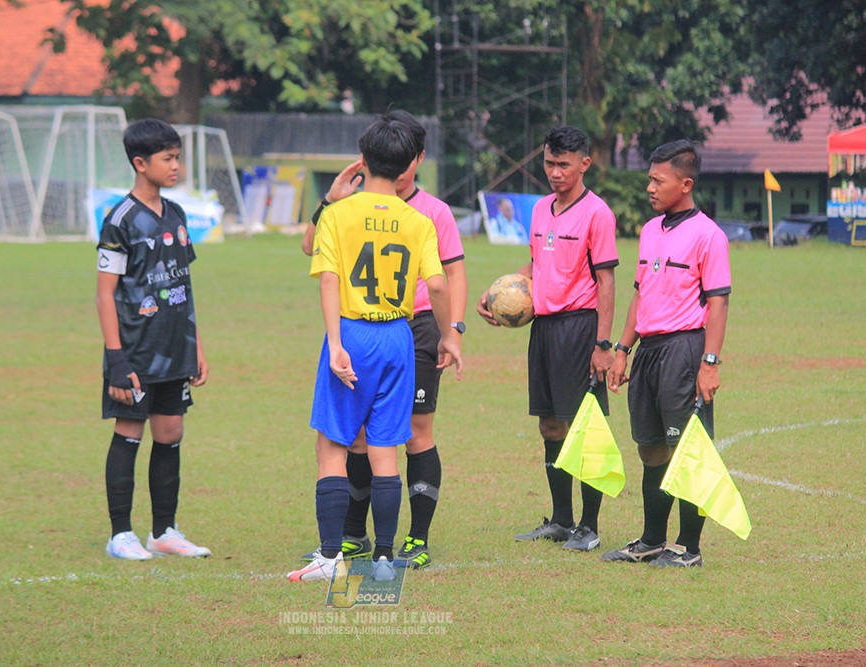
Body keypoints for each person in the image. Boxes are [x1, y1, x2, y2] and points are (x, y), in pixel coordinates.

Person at [287, 113, 463, 582]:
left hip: (353, 333)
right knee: (387, 447)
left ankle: (330, 557)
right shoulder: (418, 219)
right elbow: (440, 285)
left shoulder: (339, 214)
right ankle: (385, 559)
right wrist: (448, 334)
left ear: (362, 161)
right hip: (399, 338)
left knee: (332, 447)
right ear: (410, 164)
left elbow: (327, 278)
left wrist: (336, 342)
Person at [476, 125, 618, 552]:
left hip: (580, 328)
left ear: (584, 164)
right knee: (550, 424)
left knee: (586, 427)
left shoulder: (598, 214)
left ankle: (589, 527)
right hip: (543, 329)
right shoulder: (540, 210)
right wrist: (500, 291)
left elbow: (607, 282)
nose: (555, 172)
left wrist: (603, 344)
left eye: (563, 164)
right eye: (549, 163)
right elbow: (538, 264)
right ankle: (561, 520)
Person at [603, 140, 730, 568]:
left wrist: (709, 364)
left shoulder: (709, 236)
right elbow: (641, 293)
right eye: (650, 179)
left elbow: (718, 304)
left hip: (684, 349)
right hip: (649, 352)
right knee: (651, 449)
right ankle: (652, 540)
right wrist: (623, 349)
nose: (649, 188)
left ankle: (688, 548)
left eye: (659, 180)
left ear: (685, 183)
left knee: (686, 450)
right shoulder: (649, 231)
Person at [96, 118, 210, 561]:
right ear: (141, 163)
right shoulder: (120, 220)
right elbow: (105, 293)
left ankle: (164, 530)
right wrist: (116, 359)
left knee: (170, 431)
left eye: (178, 157)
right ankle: (120, 533)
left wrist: (196, 347)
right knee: (130, 430)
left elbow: (184, 284)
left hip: (175, 346)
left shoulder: (177, 215)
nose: (176, 166)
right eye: (168, 158)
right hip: (135, 350)